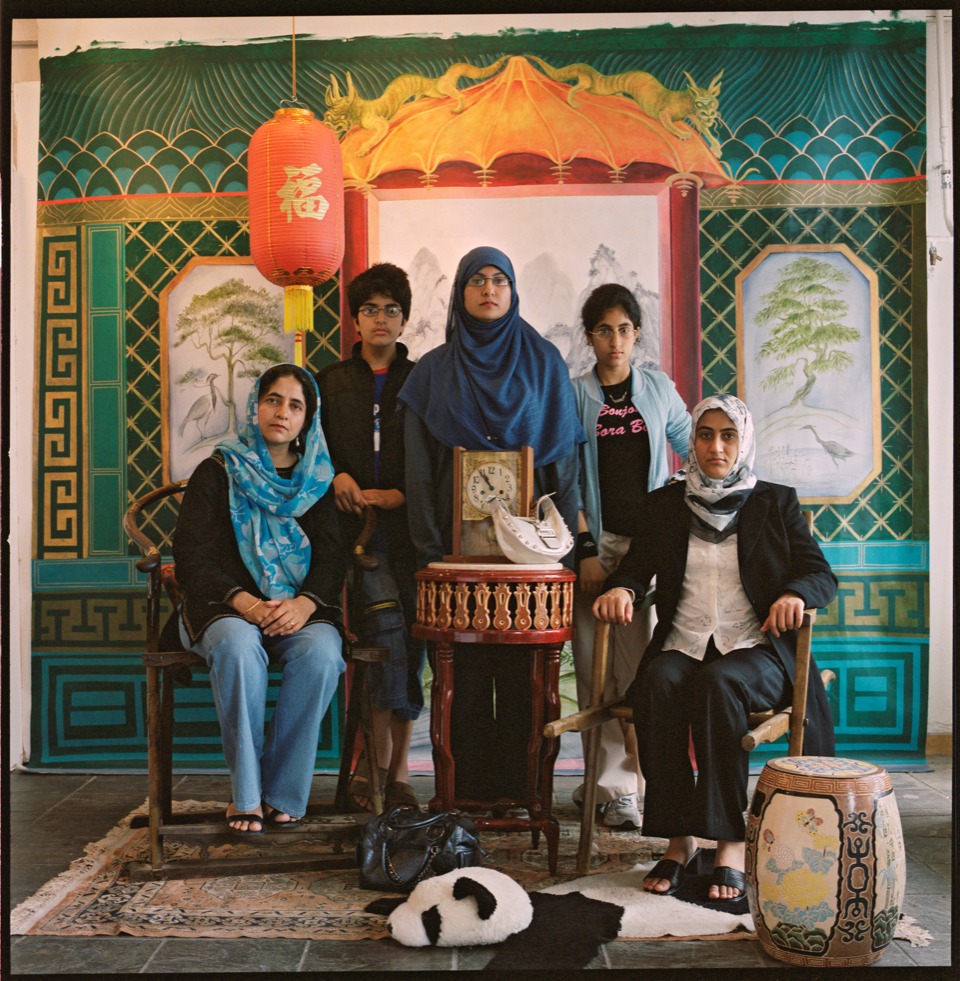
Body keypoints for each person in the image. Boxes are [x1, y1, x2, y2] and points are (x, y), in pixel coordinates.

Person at [593, 394, 837, 900]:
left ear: (743, 440)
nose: (716, 446)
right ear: (692, 443)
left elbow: (819, 573)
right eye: (706, 435)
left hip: (756, 649)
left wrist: (795, 593)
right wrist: (623, 589)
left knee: (718, 683)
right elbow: (638, 569)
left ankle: (728, 842)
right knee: (658, 683)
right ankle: (679, 841)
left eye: (728, 436)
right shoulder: (666, 503)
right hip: (685, 642)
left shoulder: (774, 501)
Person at [398, 245, 586, 802]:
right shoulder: (433, 372)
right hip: (454, 563)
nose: (488, 289)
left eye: (499, 279)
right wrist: (433, 551)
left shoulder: (544, 363)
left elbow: (563, 464)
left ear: (512, 290)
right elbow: (418, 471)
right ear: (459, 292)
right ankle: (464, 795)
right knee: (464, 680)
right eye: (476, 280)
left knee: (526, 680)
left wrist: (562, 554)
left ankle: (524, 793)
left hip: (529, 566)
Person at [173, 363, 347, 834]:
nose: (282, 412)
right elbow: (191, 554)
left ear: (307, 419)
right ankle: (247, 795)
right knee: (237, 647)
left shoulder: (318, 479)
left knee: (323, 654)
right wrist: (244, 602)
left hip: (298, 610)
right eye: (273, 399)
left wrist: (305, 604)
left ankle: (284, 792)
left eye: (295, 405)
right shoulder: (218, 470)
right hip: (226, 609)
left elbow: (334, 559)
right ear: (256, 405)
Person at [571, 283, 691, 829]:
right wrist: (586, 551)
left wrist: (674, 519)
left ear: (637, 333)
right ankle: (599, 785)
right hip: (592, 548)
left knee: (636, 666)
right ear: (590, 337)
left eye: (623, 329)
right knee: (593, 670)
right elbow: (564, 479)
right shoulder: (575, 396)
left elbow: (697, 447)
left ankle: (628, 787)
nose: (614, 340)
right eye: (603, 330)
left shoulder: (658, 389)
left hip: (644, 555)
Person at [316, 262, 424, 812]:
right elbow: (312, 451)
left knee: (413, 645)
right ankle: (377, 770)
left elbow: (438, 456)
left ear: (404, 319)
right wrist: (337, 476)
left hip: (413, 539)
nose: (380, 319)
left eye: (391, 310)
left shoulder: (422, 380)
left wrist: (403, 495)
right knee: (381, 642)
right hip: (353, 539)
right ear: (355, 319)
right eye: (370, 309)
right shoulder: (331, 382)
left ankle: (397, 772)